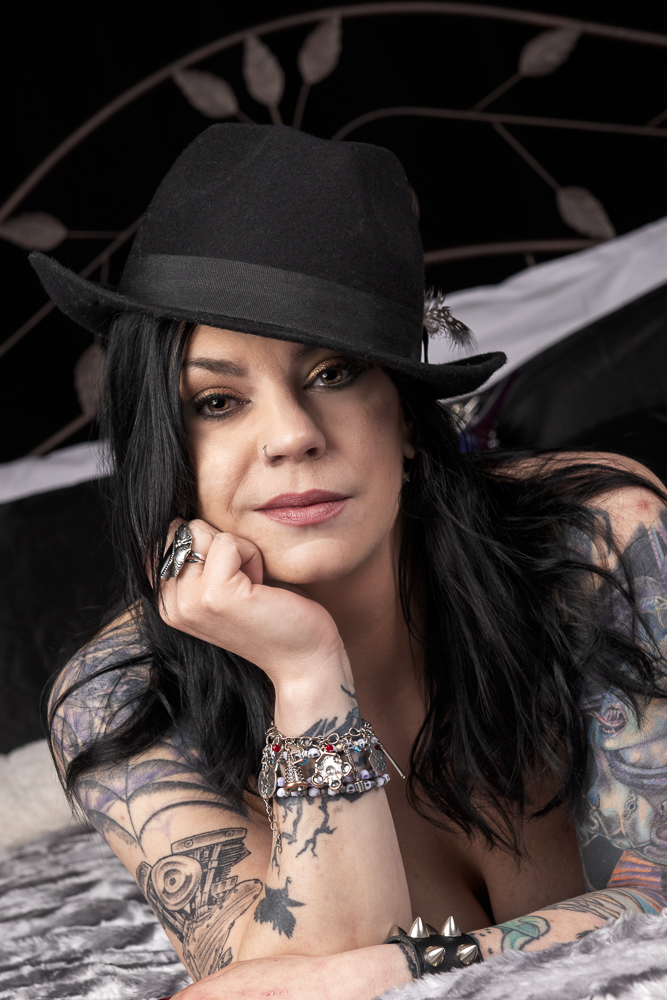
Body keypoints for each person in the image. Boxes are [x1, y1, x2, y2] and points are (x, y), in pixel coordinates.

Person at [33, 125, 667, 1000]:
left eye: (333, 373)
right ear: (166, 452)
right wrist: (306, 675)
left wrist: (391, 967)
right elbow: (299, 984)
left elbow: (656, 897)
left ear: (404, 416)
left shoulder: (601, 543)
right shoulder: (119, 703)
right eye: (216, 401)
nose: (291, 436)